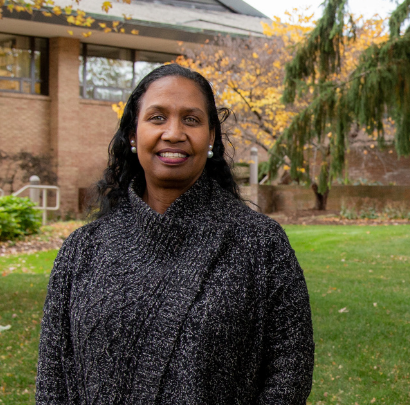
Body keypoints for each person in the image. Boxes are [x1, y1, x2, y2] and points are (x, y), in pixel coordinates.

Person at [35, 64, 314, 404]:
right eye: (157, 117)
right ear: (133, 135)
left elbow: (289, 374)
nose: (173, 133)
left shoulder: (260, 245)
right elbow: (54, 380)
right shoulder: (83, 250)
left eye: (191, 120)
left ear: (211, 137)